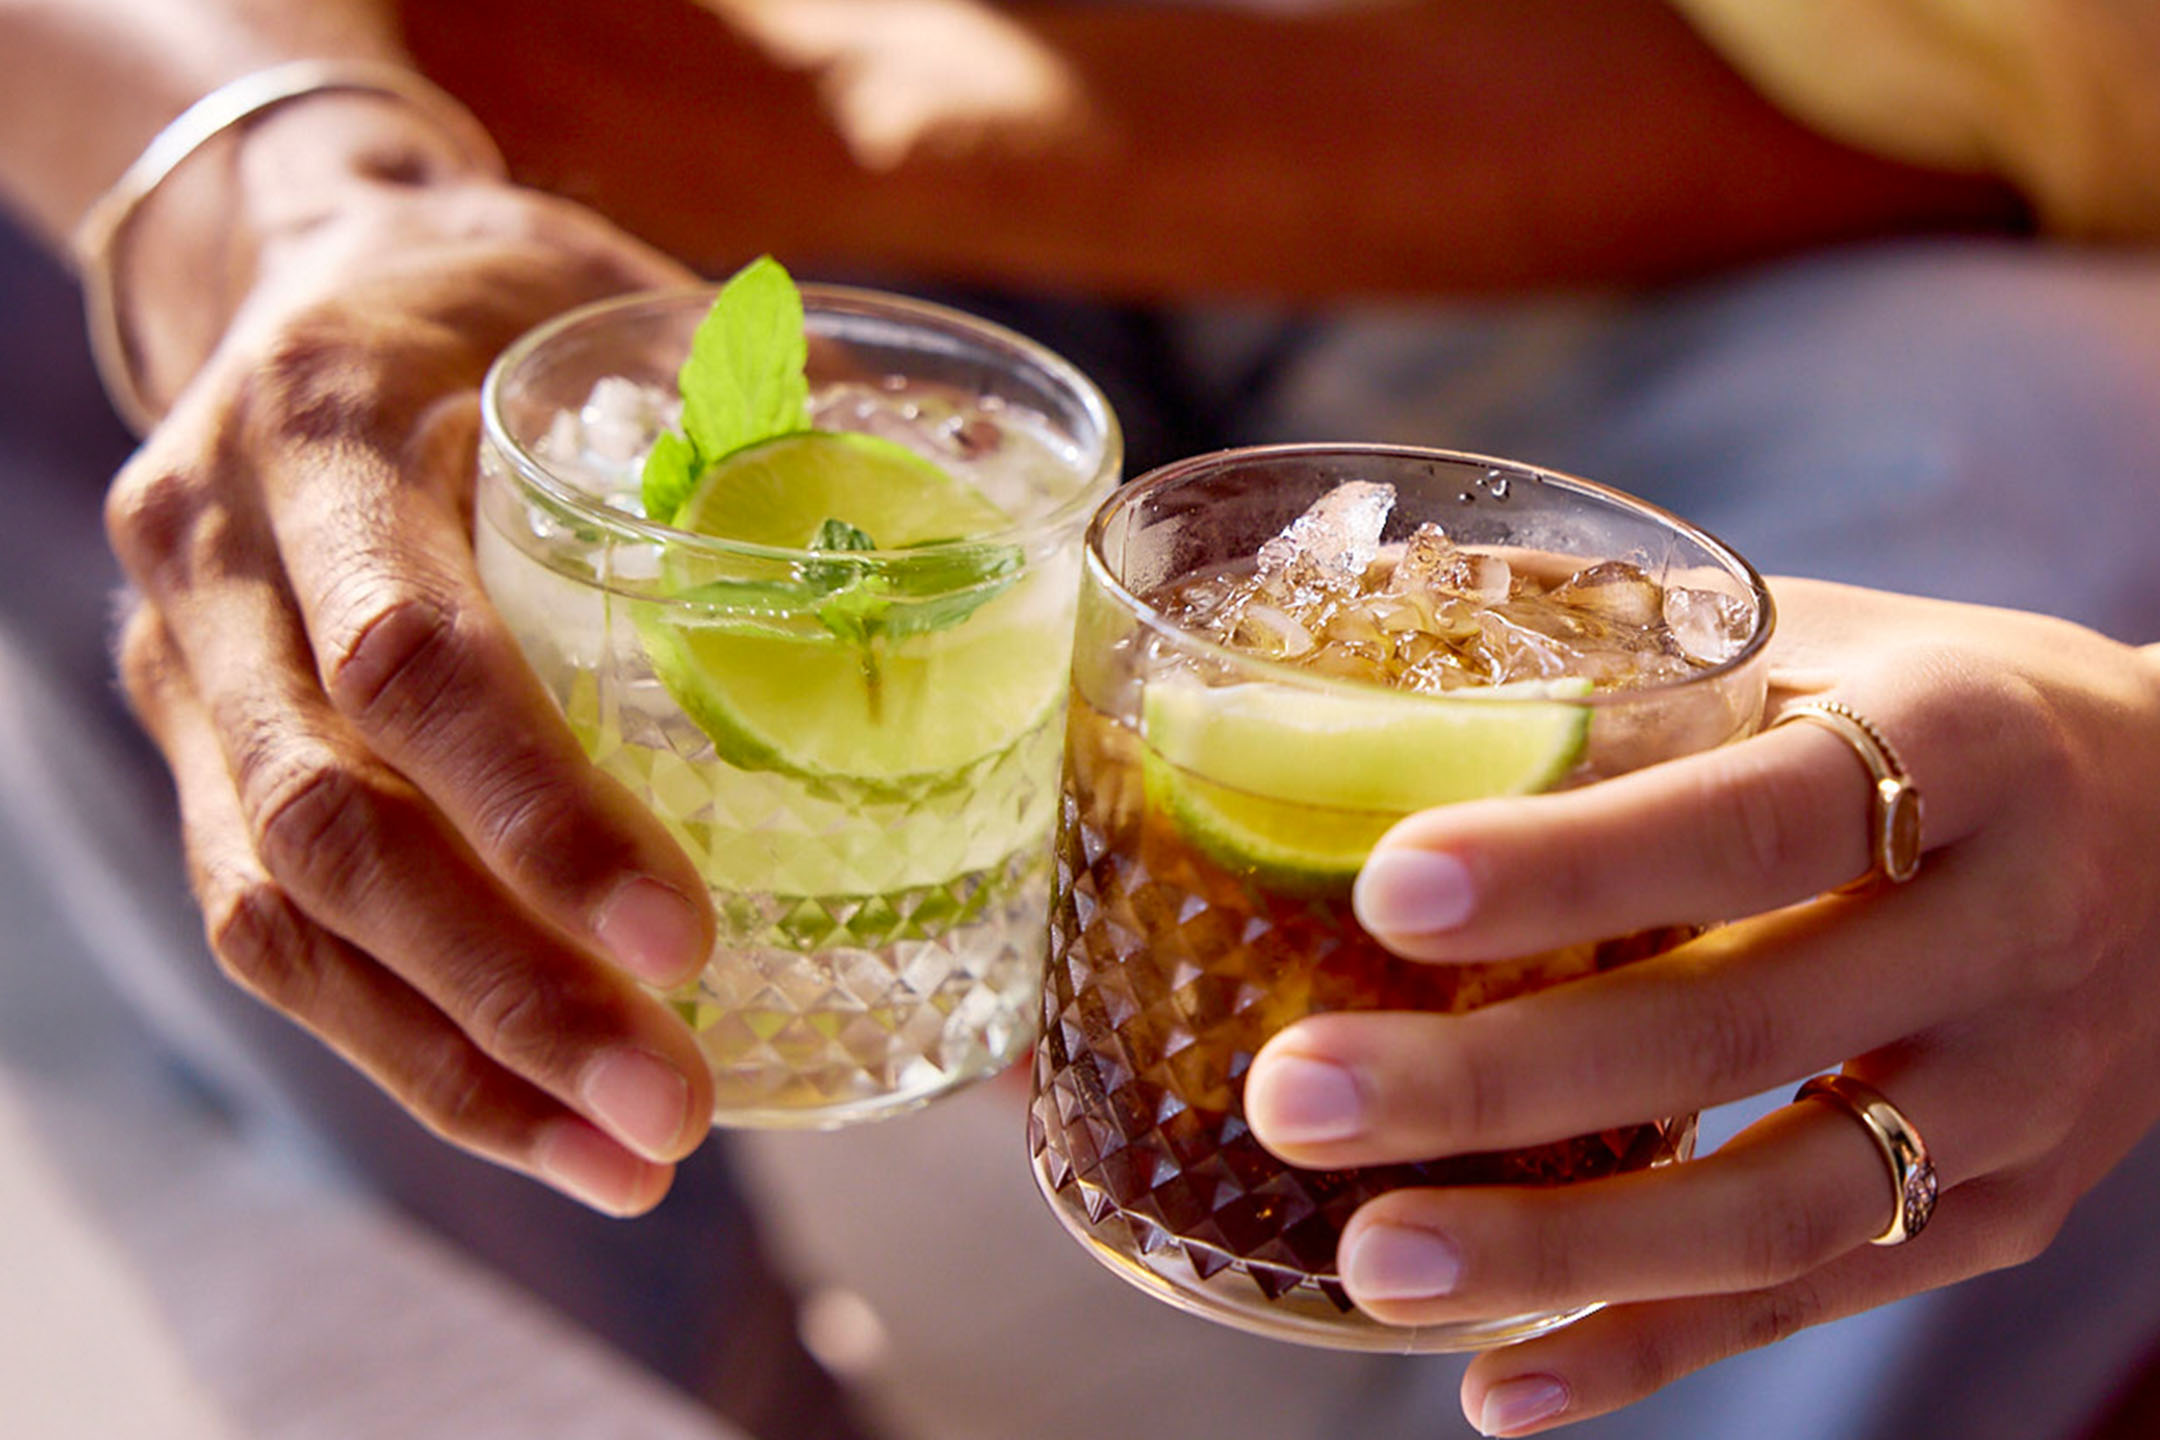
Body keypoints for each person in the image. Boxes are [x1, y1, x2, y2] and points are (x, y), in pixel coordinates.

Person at [0, 2, 2155, 1437]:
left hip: (1625, 252)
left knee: (2079, 465)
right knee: (225, 380)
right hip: (638, 158)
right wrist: (295, 186)